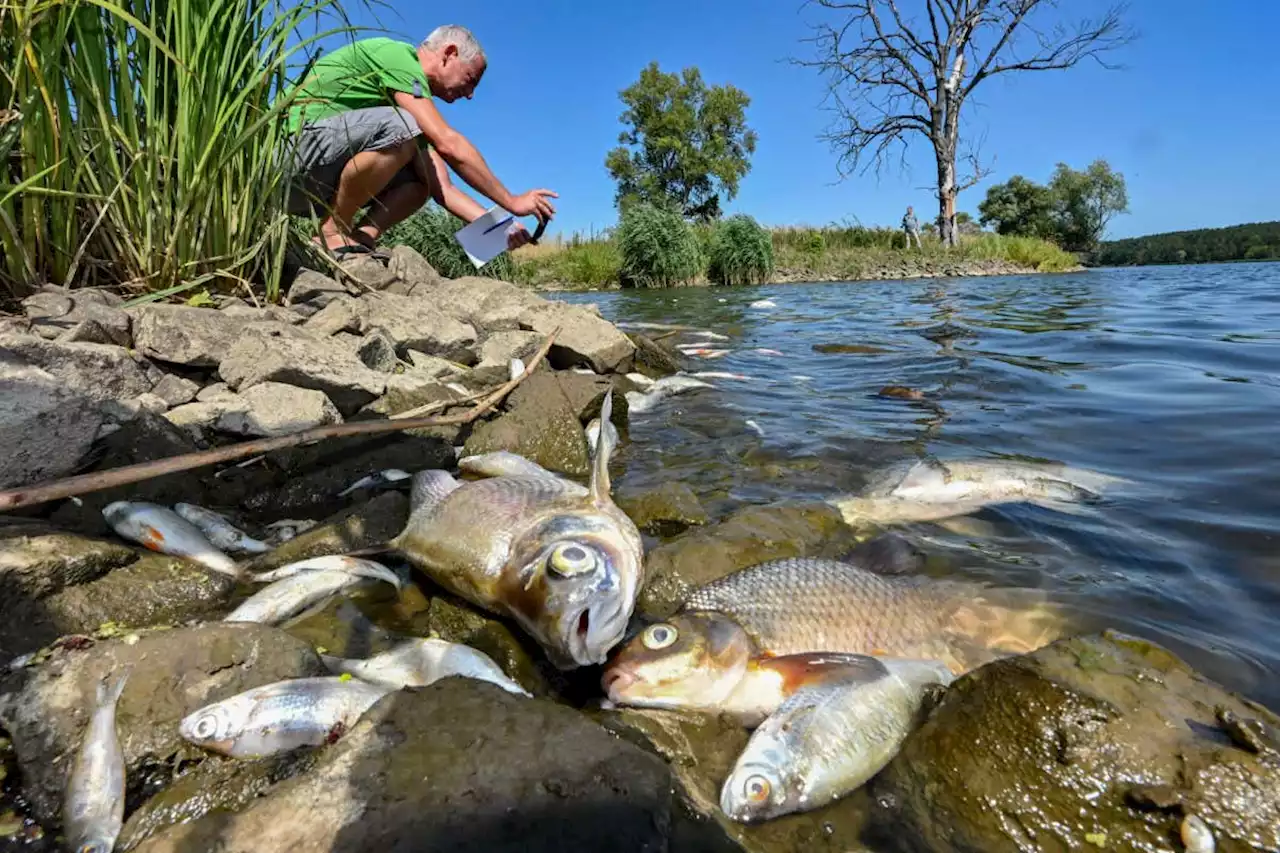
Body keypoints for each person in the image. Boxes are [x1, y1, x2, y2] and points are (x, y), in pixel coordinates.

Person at [282, 25, 557, 257]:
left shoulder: (407, 110)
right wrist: (512, 201)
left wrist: (502, 231)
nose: (471, 94)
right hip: (285, 160)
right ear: (449, 54)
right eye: (471, 79)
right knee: (402, 126)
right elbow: (448, 143)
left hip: (311, 180)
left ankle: (362, 238)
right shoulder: (398, 57)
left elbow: (443, 190)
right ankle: (331, 231)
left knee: (422, 179)